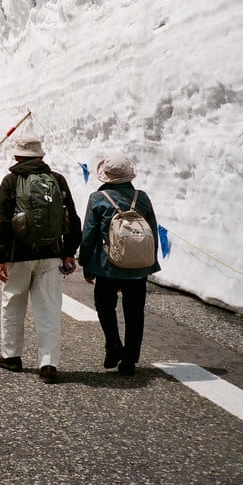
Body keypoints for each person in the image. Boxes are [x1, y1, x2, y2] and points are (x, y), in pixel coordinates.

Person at [0, 136, 82, 384]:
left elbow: (1, 221)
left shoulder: (11, 181)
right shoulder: (57, 180)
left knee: (13, 303)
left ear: (17, 157)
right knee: (49, 309)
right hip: (51, 254)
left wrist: (0, 256)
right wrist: (69, 251)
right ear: (42, 157)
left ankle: (11, 356)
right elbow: (72, 219)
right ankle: (48, 363)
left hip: (17, 255)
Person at [77, 154, 160, 376]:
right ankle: (130, 360)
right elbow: (151, 231)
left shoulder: (98, 198)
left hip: (108, 266)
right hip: (138, 266)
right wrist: (149, 261)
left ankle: (113, 343)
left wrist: (85, 263)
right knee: (135, 312)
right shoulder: (141, 198)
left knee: (105, 305)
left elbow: (89, 234)